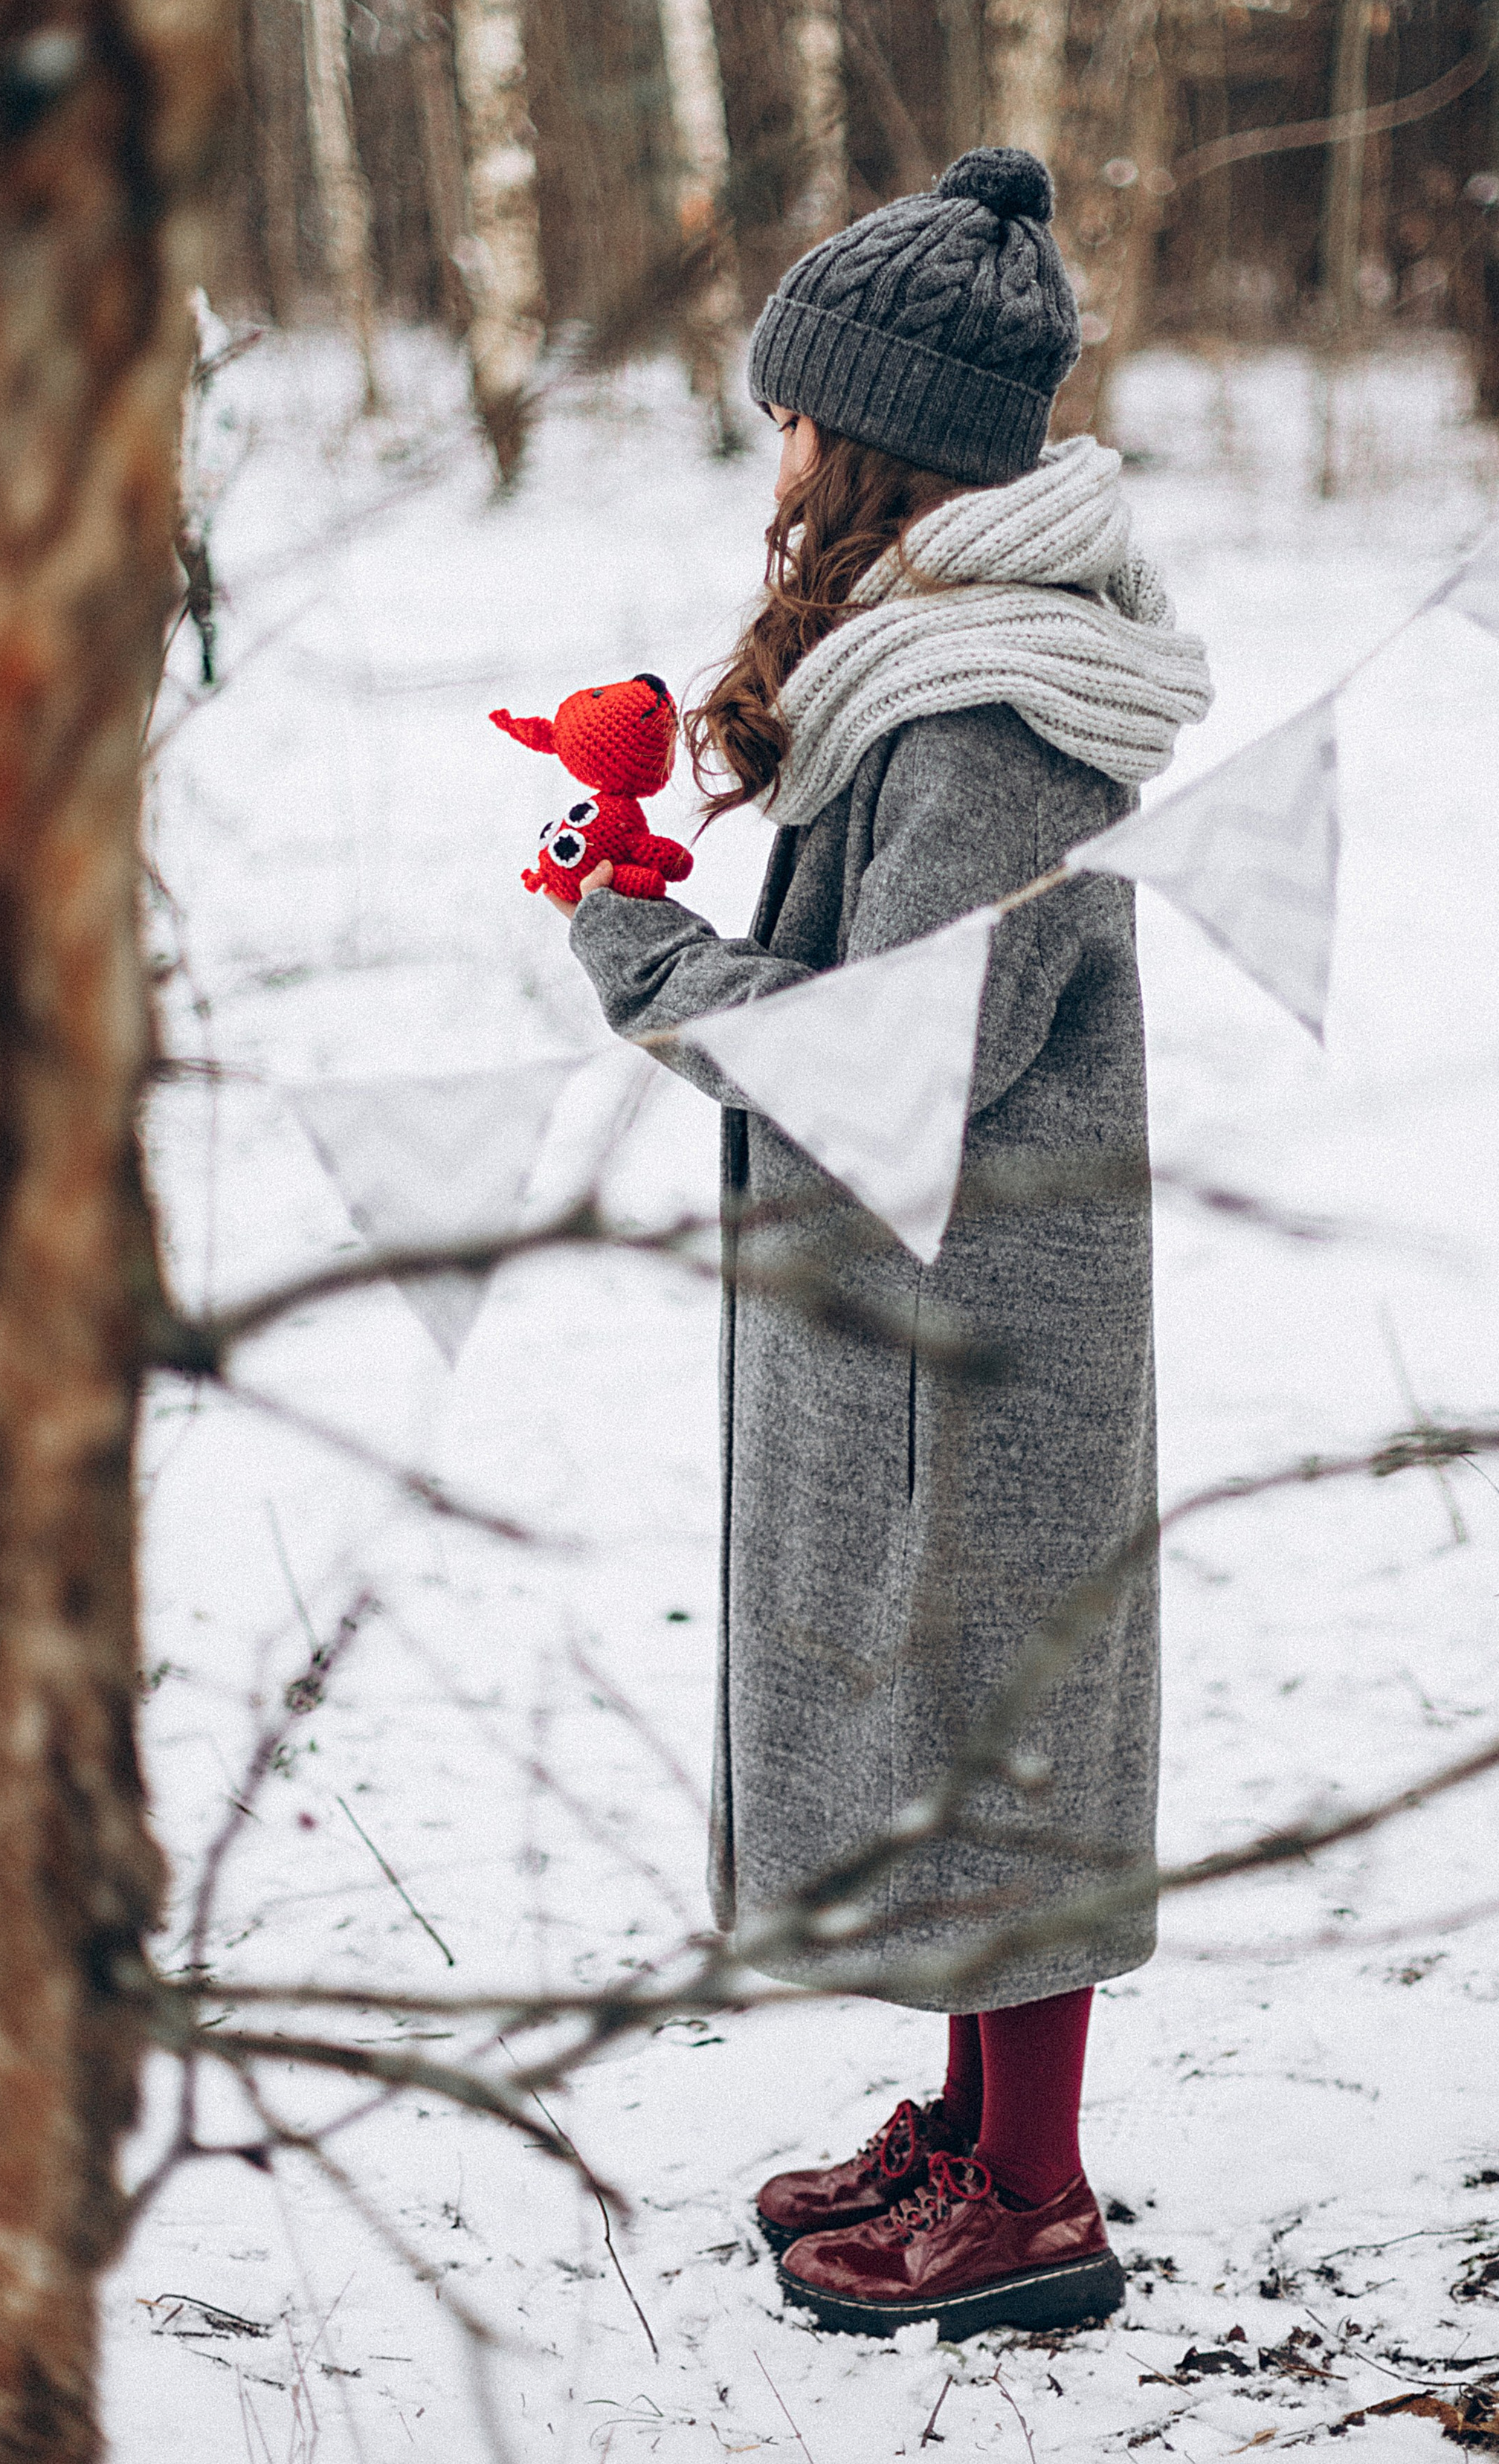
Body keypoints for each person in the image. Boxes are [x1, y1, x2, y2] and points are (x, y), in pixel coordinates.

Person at [565, 147, 1212, 2341]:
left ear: (871, 437)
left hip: (986, 1309)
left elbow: (891, 1051)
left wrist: (642, 955)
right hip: (915, 1289)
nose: (776, 449)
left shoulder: (987, 712)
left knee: (998, 1717)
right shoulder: (926, 664)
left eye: (794, 411)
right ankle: (965, 2122)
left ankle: (1032, 2199)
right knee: (947, 1703)